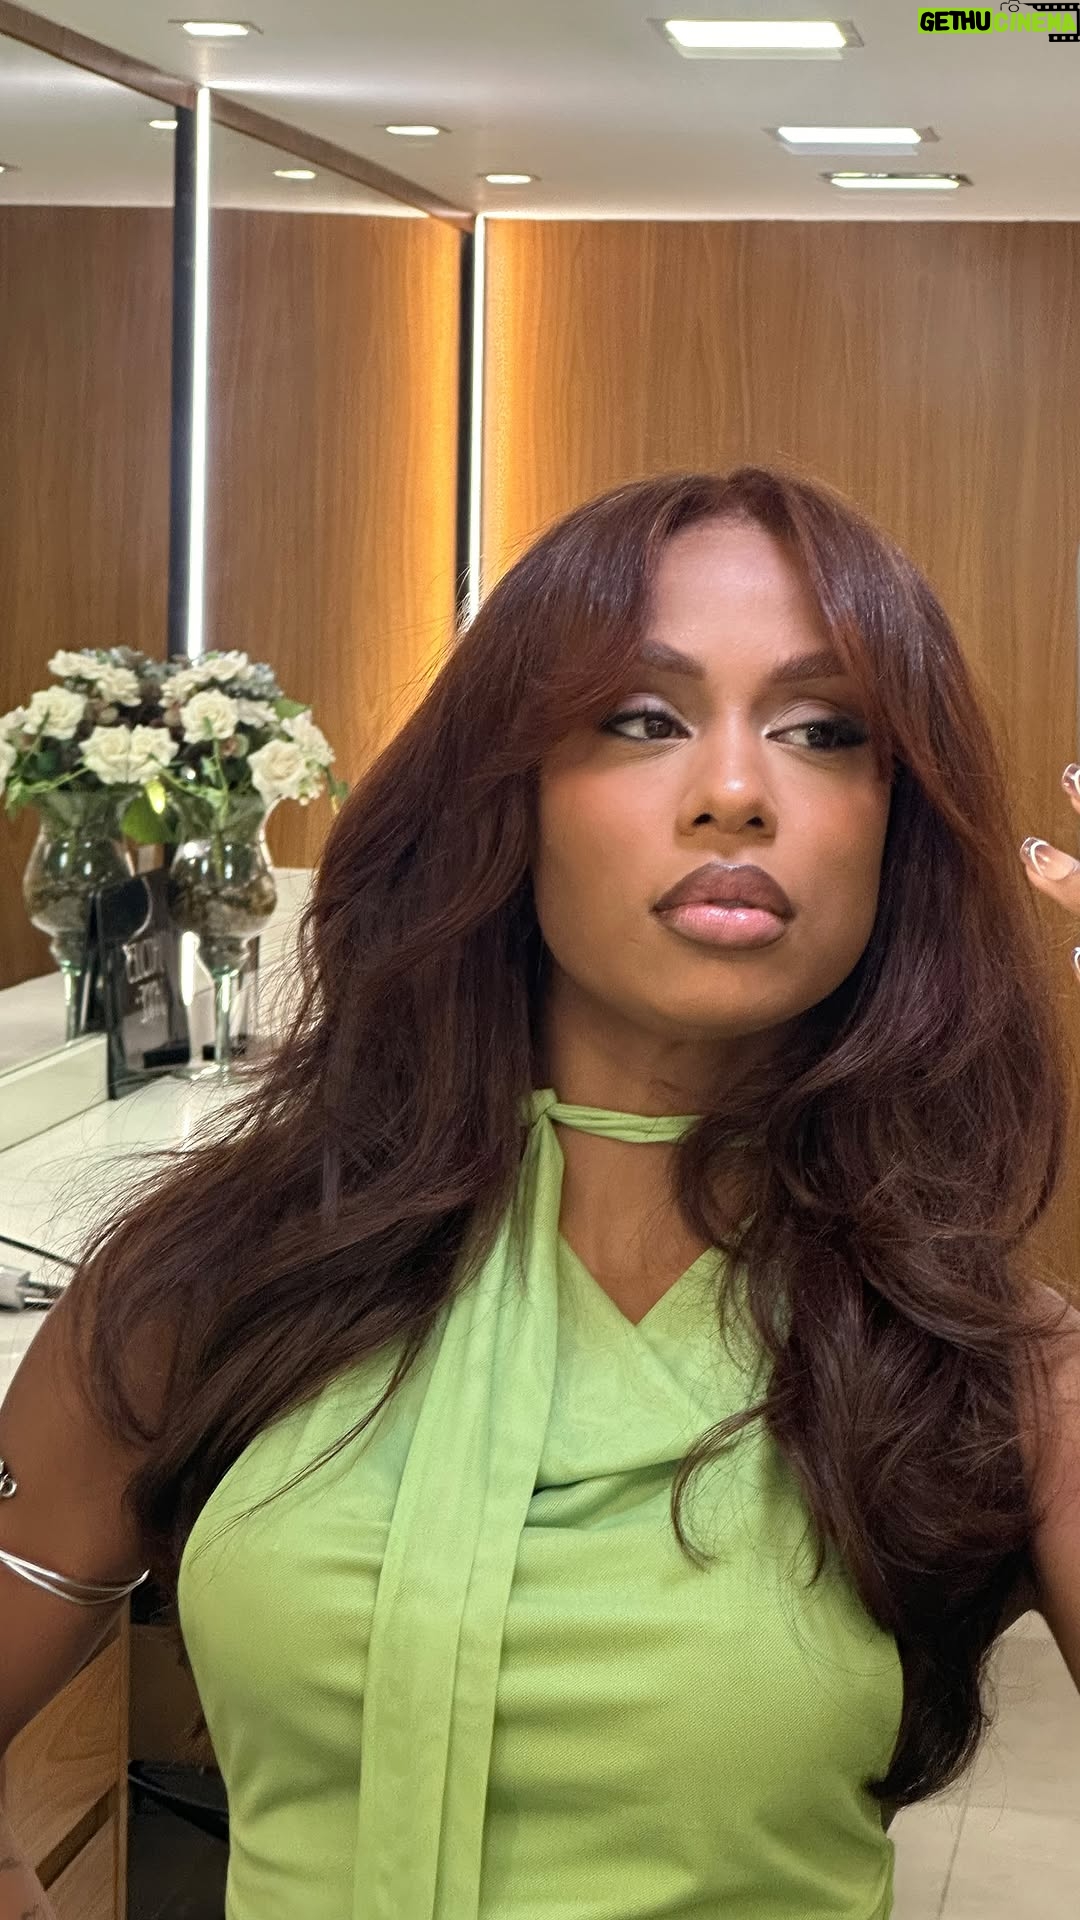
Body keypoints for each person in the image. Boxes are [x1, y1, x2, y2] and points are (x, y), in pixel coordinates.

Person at [1, 466, 1079, 1920]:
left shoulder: (1001, 1380)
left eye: (826, 731)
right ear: (507, 790)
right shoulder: (210, 1287)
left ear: (899, 831)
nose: (736, 790)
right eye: (642, 717)